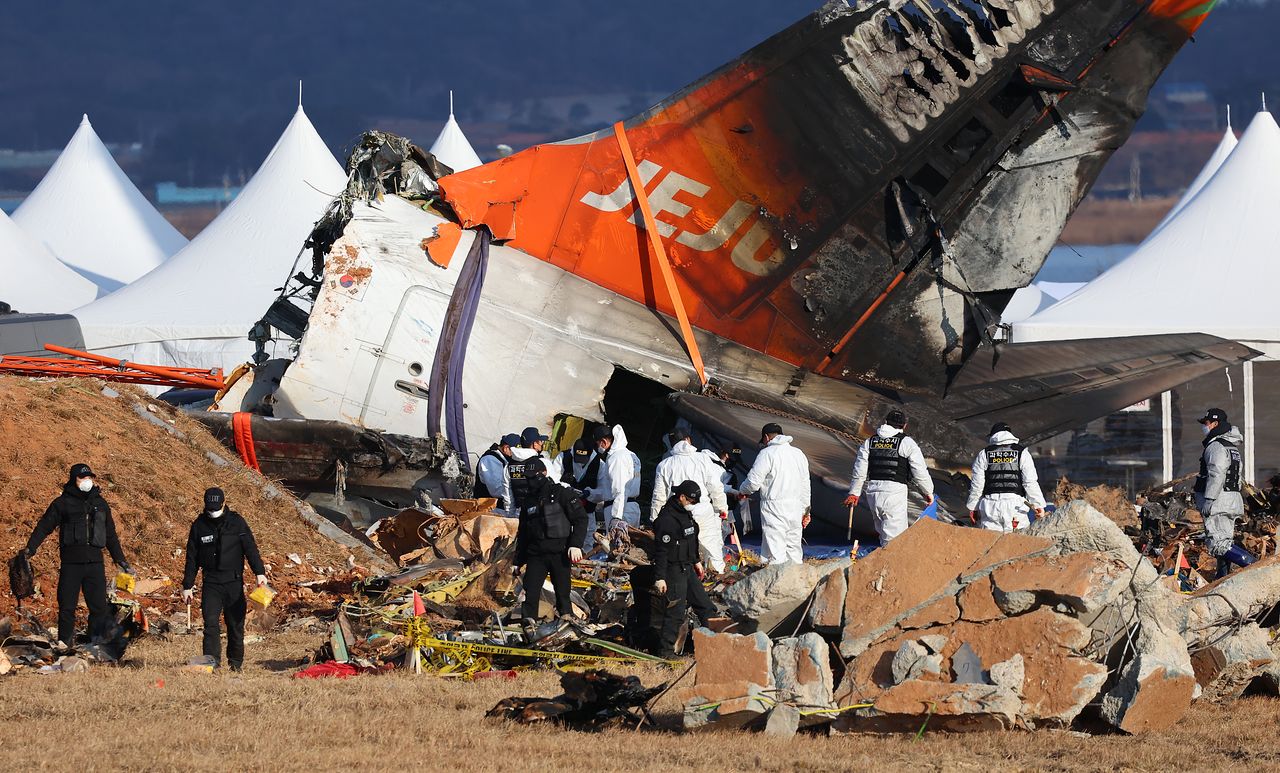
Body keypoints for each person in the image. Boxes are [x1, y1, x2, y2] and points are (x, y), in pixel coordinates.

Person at [25, 463, 133, 647]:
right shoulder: (62, 503)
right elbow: (44, 526)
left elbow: (110, 534)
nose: (86, 481)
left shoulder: (100, 503)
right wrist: (30, 549)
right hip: (71, 564)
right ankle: (64, 644)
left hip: (95, 564)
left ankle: (96, 645)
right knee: (67, 607)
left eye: (89, 477)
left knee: (99, 607)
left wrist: (120, 559)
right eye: (82, 478)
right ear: (74, 480)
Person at [181, 488, 268, 672]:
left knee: (235, 626)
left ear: (223, 503)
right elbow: (192, 558)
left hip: (233, 582)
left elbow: (250, 548)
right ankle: (212, 664)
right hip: (211, 583)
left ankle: (235, 663)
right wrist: (187, 585)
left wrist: (259, 572)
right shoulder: (199, 525)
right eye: (209, 508)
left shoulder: (236, 523)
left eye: (215, 507)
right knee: (210, 624)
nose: (212, 511)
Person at [843, 410, 934, 544]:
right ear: (904, 425)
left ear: (885, 422)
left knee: (882, 536)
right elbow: (919, 471)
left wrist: (854, 492)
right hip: (894, 494)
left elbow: (859, 470)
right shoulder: (907, 443)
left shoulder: (870, 442)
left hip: (873, 493)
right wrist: (928, 491)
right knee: (894, 542)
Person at [514, 458, 589, 621]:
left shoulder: (562, 493)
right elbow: (524, 532)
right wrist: (518, 561)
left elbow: (581, 519)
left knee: (563, 593)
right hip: (536, 555)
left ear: (544, 473)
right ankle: (528, 626)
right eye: (528, 478)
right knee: (530, 592)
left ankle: (567, 621)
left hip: (560, 553)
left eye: (534, 477)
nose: (531, 482)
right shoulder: (528, 501)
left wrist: (576, 544)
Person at [643, 480, 706, 657]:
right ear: (682, 497)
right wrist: (660, 577)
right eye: (691, 502)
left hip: (687, 567)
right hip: (673, 569)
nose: (693, 506)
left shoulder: (685, 515)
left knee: (705, 606)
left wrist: (696, 561)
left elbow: (691, 540)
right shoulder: (667, 519)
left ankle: (718, 641)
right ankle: (666, 651)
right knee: (676, 612)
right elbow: (662, 552)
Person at [652, 430, 729, 573]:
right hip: (702, 510)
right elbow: (716, 486)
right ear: (688, 440)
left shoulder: (664, 465)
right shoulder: (702, 459)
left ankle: (686, 580)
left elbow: (659, 497)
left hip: (678, 514)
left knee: (680, 550)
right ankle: (718, 577)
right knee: (711, 547)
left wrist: (656, 520)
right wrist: (721, 508)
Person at [738, 423, 811, 564]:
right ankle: (795, 582)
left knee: (775, 550)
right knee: (794, 549)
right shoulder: (798, 454)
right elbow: (805, 484)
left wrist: (743, 491)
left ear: (766, 437)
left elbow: (753, 481)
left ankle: (778, 583)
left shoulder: (767, 454)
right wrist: (806, 510)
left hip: (774, 506)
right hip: (796, 507)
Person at [964, 422, 1046, 531]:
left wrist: (973, 507)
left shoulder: (983, 454)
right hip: (1016, 508)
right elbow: (1030, 482)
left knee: (990, 543)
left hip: (990, 507)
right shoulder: (1022, 453)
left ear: (993, 435)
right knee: (1018, 543)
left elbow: (977, 485)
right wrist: (1038, 504)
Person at [1194, 408, 1245, 574]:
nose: (1204, 426)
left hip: (1219, 501)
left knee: (1217, 543)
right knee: (1224, 543)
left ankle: (1255, 567)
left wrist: (1209, 499)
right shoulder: (1231, 447)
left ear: (1215, 424)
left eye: (1206, 423)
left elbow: (1217, 473)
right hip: (1231, 500)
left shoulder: (1216, 446)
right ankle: (1221, 579)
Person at [585, 424, 641, 534]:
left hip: (621, 511)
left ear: (604, 442)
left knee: (618, 549)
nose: (598, 447)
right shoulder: (631, 455)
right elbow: (609, 489)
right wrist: (591, 494)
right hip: (631, 508)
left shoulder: (617, 458)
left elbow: (620, 489)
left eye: (598, 443)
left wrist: (617, 517)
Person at [476, 433, 519, 515]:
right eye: (516, 451)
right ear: (506, 448)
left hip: (502, 509)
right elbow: (496, 490)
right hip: (491, 511)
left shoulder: (504, 459)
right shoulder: (490, 460)